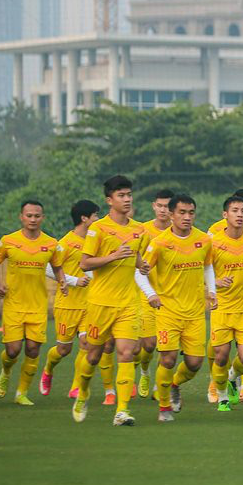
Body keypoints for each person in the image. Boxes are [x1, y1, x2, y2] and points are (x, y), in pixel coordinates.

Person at [72, 175, 151, 426]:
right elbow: (84, 263)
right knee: (93, 356)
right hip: (101, 303)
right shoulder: (98, 229)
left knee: (127, 352)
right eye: (121, 195)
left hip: (129, 303)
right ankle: (83, 392)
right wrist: (114, 256)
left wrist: (142, 264)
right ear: (109, 200)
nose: (127, 199)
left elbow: (135, 255)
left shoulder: (140, 229)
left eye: (129, 195)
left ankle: (122, 411)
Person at [141, 194, 216, 422]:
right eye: (182, 213)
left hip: (194, 312)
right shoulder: (160, 243)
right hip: (168, 311)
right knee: (168, 360)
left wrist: (212, 290)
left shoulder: (204, 240)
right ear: (171, 215)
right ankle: (164, 407)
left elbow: (208, 267)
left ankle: (173, 383)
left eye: (191, 213)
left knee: (194, 364)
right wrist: (151, 294)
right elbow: (139, 271)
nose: (187, 217)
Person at [0, 200, 67, 406]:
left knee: (33, 349)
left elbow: (57, 267)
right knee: (13, 350)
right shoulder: (8, 241)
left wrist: (63, 281)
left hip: (38, 305)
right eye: (29, 215)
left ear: (43, 218)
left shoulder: (51, 243)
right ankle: (5, 371)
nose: (33, 219)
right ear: (21, 217)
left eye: (37, 216)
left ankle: (21, 393)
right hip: (14, 304)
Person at [206, 195, 243, 411]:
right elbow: (203, 271)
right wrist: (216, 282)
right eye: (235, 211)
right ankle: (222, 396)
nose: (240, 215)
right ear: (225, 215)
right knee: (220, 355)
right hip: (222, 307)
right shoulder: (213, 242)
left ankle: (232, 377)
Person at [40, 200, 98, 397]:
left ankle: (76, 387)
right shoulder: (65, 243)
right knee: (63, 349)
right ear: (84, 218)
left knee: (87, 344)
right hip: (67, 304)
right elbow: (48, 268)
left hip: (89, 304)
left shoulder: (95, 241)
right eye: (95, 216)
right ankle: (48, 368)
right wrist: (73, 281)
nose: (98, 220)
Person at [135, 189, 173, 400]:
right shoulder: (143, 231)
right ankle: (144, 371)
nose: (163, 210)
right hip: (147, 294)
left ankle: (160, 387)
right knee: (148, 344)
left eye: (167, 206)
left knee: (165, 345)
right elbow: (135, 259)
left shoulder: (181, 233)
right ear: (153, 206)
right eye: (160, 206)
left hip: (171, 297)